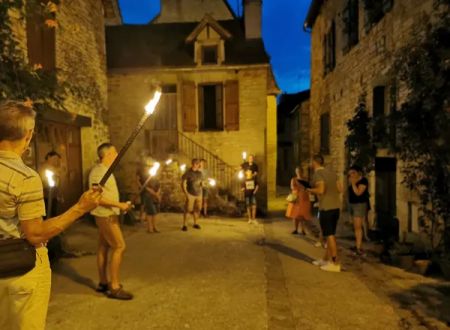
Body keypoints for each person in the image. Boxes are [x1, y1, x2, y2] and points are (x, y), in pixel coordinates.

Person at [0, 100, 101, 330]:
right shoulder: (24, 177)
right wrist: (81, 208)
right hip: (18, 272)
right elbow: (35, 234)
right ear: (28, 134)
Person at [89, 143, 133, 300]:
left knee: (103, 246)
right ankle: (114, 286)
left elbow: (107, 194)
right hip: (105, 215)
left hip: (107, 213)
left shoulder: (106, 171)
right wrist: (119, 205)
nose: (117, 155)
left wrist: (123, 205)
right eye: (114, 152)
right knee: (120, 246)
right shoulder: (98, 172)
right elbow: (97, 197)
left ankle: (102, 282)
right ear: (106, 155)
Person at [307, 154, 342, 272]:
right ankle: (326, 259)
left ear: (314, 162)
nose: (310, 164)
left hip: (326, 208)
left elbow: (321, 190)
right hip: (336, 207)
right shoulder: (332, 173)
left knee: (329, 235)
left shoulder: (318, 174)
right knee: (330, 235)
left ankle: (335, 262)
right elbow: (340, 189)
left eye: (311, 162)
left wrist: (310, 190)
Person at [348, 165, 370, 256]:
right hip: (353, 204)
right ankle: (357, 245)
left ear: (358, 173)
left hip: (359, 205)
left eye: (353, 173)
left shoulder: (363, 181)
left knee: (358, 226)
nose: (351, 175)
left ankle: (359, 248)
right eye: (350, 174)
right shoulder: (353, 181)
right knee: (355, 226)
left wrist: (353, 184)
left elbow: (358, 193)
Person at [286, 166, 311, 235]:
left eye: (299, 171)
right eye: (297, 171)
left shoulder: (305, 179)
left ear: (302, 172)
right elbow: (292, 187)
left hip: (303, 198)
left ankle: (303, 229)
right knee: (295, 215)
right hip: (296, 198)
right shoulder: (293, 179)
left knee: (302, 215)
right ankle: (296, 229)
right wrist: (300, 188)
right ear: (296, 172)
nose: (298, 172)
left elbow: (308, 187)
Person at [39, 151, 63, 218]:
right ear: (49, 157)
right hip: (45, 195)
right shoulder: (44, 166)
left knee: (53, 213)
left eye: (57, 159)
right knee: (47, 213)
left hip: (54, 194)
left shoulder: (55, 167)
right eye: (54, 159)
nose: (56, 161)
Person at [181, 159, 203, 231]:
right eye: (196, 164)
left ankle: (195, 223)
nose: (198, 165)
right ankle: (184, 225)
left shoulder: (199, 173)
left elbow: (201, 183)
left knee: (197, 209)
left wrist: (203, 184)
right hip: (190, 194)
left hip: (199, 194)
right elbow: (183, 184)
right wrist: (186, 193)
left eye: (198, 164)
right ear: (193, 164)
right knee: (188, 210)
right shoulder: (188, 173)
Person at [141, 163, 161, 233]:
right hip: (148, 197)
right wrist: (154, 194)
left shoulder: (156, 178)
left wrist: (157, 194)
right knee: (150, 212)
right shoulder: (146, 178)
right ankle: (150, 228)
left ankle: (154, 226)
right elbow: (146, 187)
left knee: (155, 213)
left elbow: (159, 186)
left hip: (155, 197)